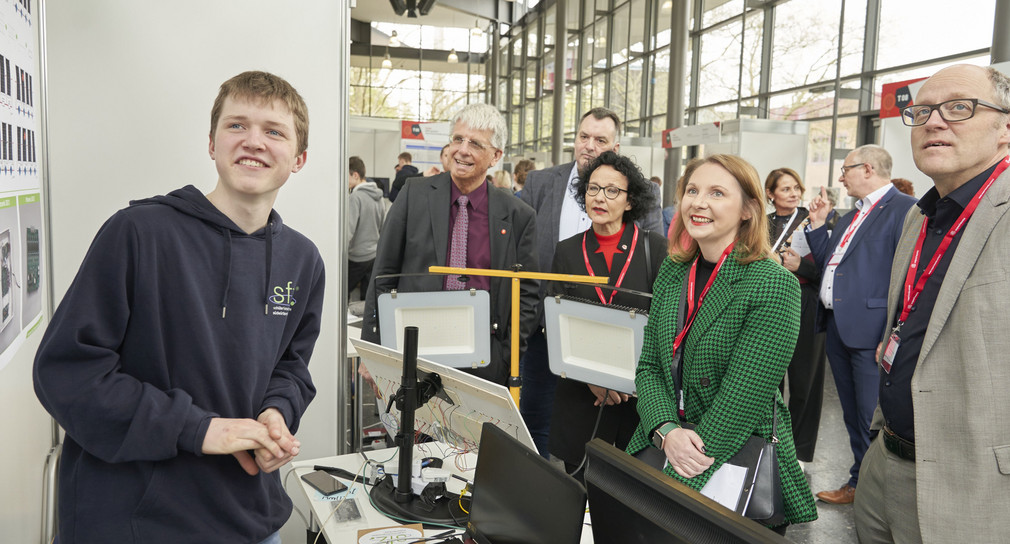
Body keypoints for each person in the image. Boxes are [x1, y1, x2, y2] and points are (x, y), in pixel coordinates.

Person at [32, 71, 325, 543]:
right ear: (212, 143)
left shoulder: (303, 259)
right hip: (138, 521)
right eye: (236, 126)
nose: (254, 141)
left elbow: (291, 366)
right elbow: (67, 373)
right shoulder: (137, 233)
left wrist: (277, 412)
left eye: (274, 131)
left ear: (299, 158)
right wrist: (197, 428)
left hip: (250, 517)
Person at [853, 64, 1010, 544]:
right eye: (922, 111)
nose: (934, 122)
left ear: (1006, 127)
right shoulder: (921, 218)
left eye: (959, 107)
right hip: (887, 462)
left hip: (973, 486)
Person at [625, 154, 815, 534]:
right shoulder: (674, 270)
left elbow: (741, 400)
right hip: (670, 443)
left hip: (731, 464)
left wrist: (678, 481)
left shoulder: (773, 284)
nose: (699, 202)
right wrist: (665, 432)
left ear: (748, 209)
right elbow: (649, 367)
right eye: (692, 190)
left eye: (717, 193)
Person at [361, 103, 539, 386]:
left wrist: (506, 356)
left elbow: (527, 295)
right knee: (414, 432)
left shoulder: (518, 216)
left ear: (496, 156)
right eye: (458, 139)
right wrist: (374, 348)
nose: (462, 150)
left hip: (485, 362)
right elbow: (383, 275)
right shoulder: (413, 195)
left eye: (475, 144)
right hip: (414, 353)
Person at [805, 144, 916, 504]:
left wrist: (893, 333)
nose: (840, 177)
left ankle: (875, 493)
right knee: (853, 415)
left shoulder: (903, 210)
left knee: (871, 415)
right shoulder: (853, 213)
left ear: (867, 169)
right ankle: (858, 482)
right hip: (839, 326)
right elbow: (829, 262)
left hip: (872, 332)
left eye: (846, 169)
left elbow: (908, 277)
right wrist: (819, 225)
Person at [546, 151, 666, 476]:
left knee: (633, 501)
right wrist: (593, 379)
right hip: (583, 398)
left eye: (612, 190)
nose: (600, 198)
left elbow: (666, 324)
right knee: (579, 500)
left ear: (630, 201)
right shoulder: (568, 251)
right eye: (593, 189)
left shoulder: (655, 248)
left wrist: (627, 380)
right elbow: (556, 323)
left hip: (638, 400)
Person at [518, 107, 624, 456]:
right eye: (583, 136)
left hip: (603, 330)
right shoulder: (540, 183)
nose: (589, 146)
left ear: (615, 148)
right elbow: (523, 252)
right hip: (543, 328)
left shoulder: (634, 193)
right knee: (535, 416)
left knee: (594, 424)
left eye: (600, 139)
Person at [765, 167, 825, 468]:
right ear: (770, 194)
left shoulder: (814, 222)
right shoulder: (761, 224)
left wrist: (800, 266)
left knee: (805, 382)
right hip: (770, 305)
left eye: (796, 188)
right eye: (785, 189)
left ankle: (799, 452)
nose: (793, 193)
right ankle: (769, 441)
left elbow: (827, 270)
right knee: (770, 380)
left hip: (805, 303)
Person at [348, 156, 384, 300]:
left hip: (357, 257)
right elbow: (383, 226)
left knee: (341, 294)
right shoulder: (379, 196)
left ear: (355, 175)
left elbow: (348, 232)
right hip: (374, 256)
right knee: (366, 299)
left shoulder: (355, 197)